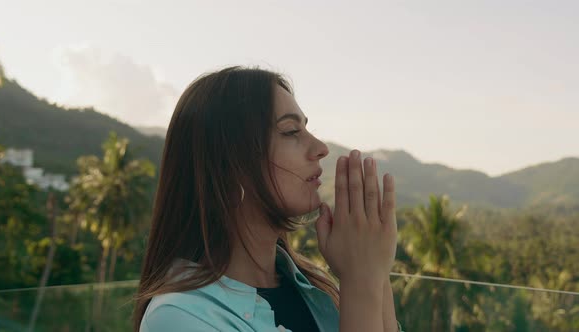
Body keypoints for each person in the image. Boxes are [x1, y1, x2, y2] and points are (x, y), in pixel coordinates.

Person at [133, 66, 404, 331]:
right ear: (230, 165)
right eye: (290, 131)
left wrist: (373, 270)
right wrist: (361, 279)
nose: (321, 148)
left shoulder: (317, 286)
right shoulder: (177, 317)